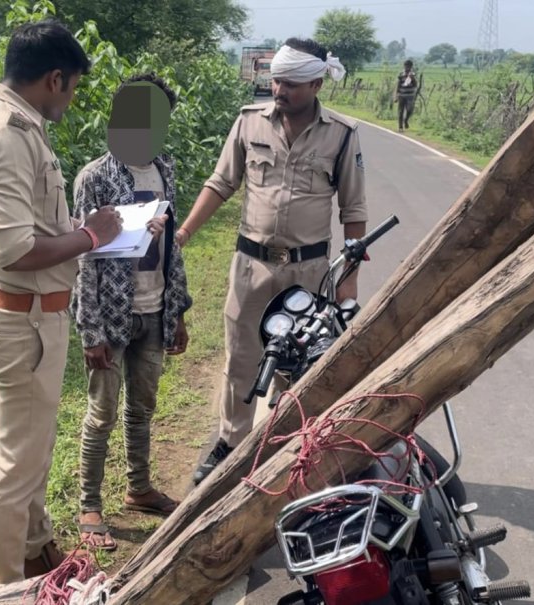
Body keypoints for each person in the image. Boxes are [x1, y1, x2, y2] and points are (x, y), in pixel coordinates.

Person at [0, 19, 122, 586]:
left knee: (31, 452)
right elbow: (13, 249)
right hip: (22, 318)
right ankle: (0, 585)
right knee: (15, 464)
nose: (72, 100)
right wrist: (92, 235)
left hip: (32, 315)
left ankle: (35, 553)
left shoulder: (20, 126)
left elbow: (29, 228)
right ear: (55, 78)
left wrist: (78, 233)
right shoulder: (7, 134)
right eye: (73, 88)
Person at [175, 38, 368, 485]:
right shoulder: (249, 123)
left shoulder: (341, 135)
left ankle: (292, 447)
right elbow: (220, 183)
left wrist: (348, 286)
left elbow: (354, 213)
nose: (280, 89)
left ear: (317, 83)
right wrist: (184, 233)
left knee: (299, 363)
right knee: (241, 358)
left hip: (308, 271)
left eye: (293, 84)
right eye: (277, 80)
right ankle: (230, 443)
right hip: (252, 267)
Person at [71, 74, 192, 550]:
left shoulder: (164, 168)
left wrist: (177, 310)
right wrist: (90, 330)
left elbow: (173, 250)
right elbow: (84, 257)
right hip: (112, 315)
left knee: (142, 408)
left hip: (154, 307)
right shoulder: (94, 177)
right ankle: (89, 505)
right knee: (101, 413)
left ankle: (138, 489)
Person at [395, 59, 418, 132]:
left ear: (411, 67)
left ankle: (406, 120)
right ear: (404, 66)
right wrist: (396, 95)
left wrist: (413, 79)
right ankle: (400, 127)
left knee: (409, 110)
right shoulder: (401, 74)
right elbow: (398, 85)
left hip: (410, 95)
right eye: (406, 66)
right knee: (400, 111)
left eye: (409, 67)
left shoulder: (413, 74)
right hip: (402, 95)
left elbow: (415, 85)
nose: (407, 68)